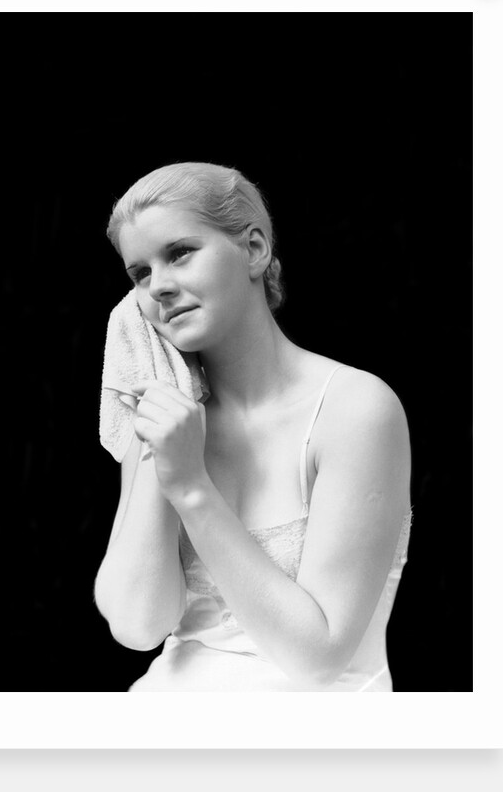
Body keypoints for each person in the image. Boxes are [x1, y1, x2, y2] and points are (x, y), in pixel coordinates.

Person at [94, 162, 412, 691]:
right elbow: (138, 626)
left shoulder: (354, 409)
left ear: (255, 249)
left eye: (179, 253)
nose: (159, 288)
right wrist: (159, 455)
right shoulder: (165, 417)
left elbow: (318, 658)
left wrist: (192, 488)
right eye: (140, 275)